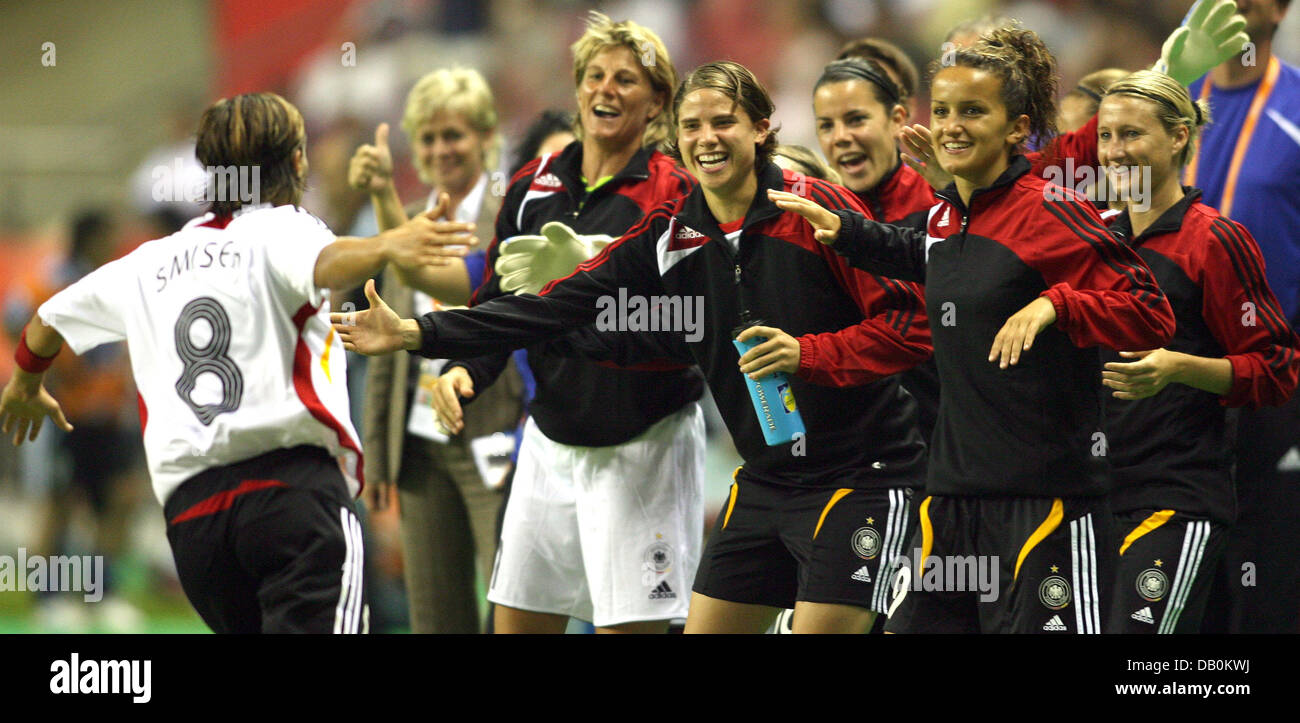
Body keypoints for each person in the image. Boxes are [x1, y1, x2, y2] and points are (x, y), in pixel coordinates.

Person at [334, 60, 934, 634]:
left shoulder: (814, 208)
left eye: (723, 121)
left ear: (759, 127)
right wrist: (417, 335)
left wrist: (809, 356)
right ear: (675, 139)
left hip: (864, 474)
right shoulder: (671, 235)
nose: (707, 138)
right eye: (692, 126)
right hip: (767, 477)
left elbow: (915, 325)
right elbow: (549, 309)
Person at [0, 92, 467, 634]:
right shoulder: (286, 228)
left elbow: (48, 321)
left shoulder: (148, 261)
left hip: (196, 522)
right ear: (296, 161)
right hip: (290, 495)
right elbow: (330, 261)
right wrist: (390, 244)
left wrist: (26, 384)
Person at [771, 25, 1176, 633]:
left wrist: (1056, 306)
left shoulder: (1053, 207)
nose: (952, 125)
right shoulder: (947, 212)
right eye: (943, 111)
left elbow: (1149, 309)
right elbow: (936, 256)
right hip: (952, 501)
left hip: (1048, 507)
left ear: (1016, 127)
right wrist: (845, 231)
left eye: (973, 111)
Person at [431, 12, 707, 635]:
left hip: (645, 441)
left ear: (658, 101)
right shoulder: (532, 185)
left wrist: (584, 303)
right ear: (578, 87)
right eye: (595, 76)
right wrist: (463, 369)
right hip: (551, 439)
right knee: (517, 623)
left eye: (626, 80)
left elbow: (687, 325)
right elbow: (498, 297)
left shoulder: (679, 193)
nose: (606, 89)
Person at [1094, 69, 1299, 633]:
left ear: (1179, 136)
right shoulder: (1093, 239)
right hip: (1089, 496)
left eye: (1132, 134)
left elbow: (1277, 368)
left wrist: (1179, 368)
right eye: (1106, 136)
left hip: (1175, 496)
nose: (1115, 151)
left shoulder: (1213, 240)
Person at [348, 67, 526, 634]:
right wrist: (377, 447)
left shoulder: (510, 215)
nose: (441, 149)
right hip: (419, 447)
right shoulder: (403, 216)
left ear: (485, 137)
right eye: (428, 137)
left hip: (495, 431)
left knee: (513, 603)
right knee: (435, 613)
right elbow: (384, 342)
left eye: (454, 134)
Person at [1185, 0, 1300, 634]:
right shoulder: (1165, 107)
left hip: (1271, 372)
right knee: (1181, 550)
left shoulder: (1297, 108)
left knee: (1262, 557)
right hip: (1171, 369)